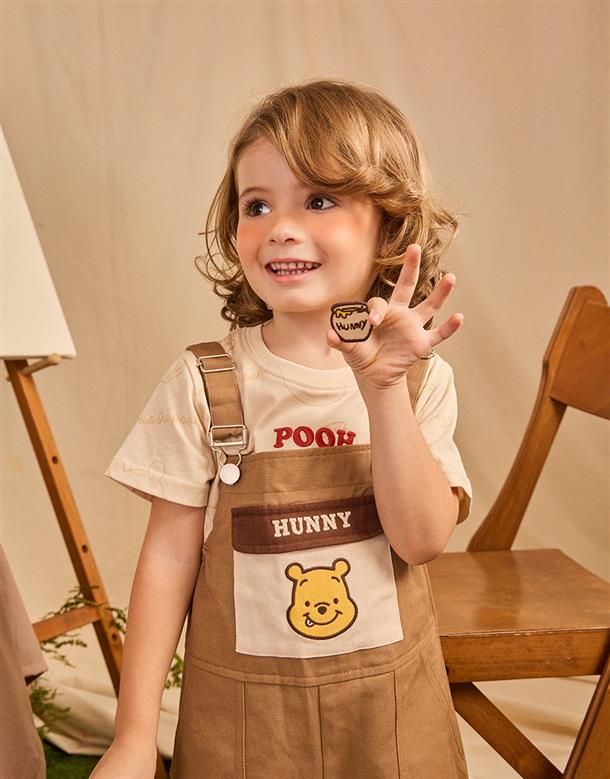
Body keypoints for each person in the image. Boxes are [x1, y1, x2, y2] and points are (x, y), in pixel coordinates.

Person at [92, 78, 473, 779]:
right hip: (243, 728)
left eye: (319, 200)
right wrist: (133, 737)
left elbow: (422, 539)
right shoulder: (204, 383)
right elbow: (168, 559)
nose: (280, 228)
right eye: (256, 205)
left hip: (388, 720)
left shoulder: (420, 380)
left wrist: (382, 391)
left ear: (390, 229)